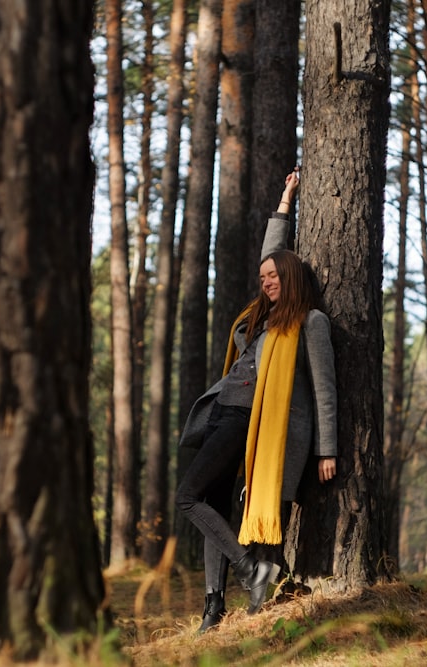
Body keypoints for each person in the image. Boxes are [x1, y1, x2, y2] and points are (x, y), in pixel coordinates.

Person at [175, 169, 338, 633]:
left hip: (257, 421)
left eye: (273, 276)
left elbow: (325, 389)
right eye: (262, 276)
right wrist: (285, 198)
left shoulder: (310, 323)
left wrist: (328, 449)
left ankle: (253, 569)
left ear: (289, 277)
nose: (266, 281)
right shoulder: (260, 319)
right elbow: (272, 254)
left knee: (188, 496)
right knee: (210, 501)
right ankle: (212, 607)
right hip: (224, 411)